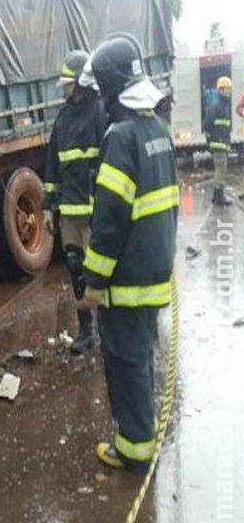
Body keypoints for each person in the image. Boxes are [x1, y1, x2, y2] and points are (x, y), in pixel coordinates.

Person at [79, 34, 178, 470]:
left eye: (100, 90)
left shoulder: (120, 137)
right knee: (141, 359)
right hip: (155, 271)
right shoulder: (156, 129)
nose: (98, 100)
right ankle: (142, 436)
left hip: (128, 281)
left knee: (125, 363)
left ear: (112, 87)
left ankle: (134, 450)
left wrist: (94, 282)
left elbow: (110, 221)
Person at [43, 50, 107, 354]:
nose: (64, 88)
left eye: (68, 83)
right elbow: (52, 163)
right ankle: (86, 332)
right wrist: (46, 205)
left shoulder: (100, 112)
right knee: (76, 270)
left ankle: (109, 328)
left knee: (102, 271)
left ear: (81, 82)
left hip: (96, 212)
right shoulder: (63, 118)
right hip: (69, 213)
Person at [203, 76, 233, 206]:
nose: (229, 91)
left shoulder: (223, 104)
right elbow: (207, 124)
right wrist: (210, 140)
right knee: (221, 169)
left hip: (223, 143)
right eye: (227, 89)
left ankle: (217, 197)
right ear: (221, 89)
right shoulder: (216, 104)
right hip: (218, 143)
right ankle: (219, 197)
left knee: (222, 169)